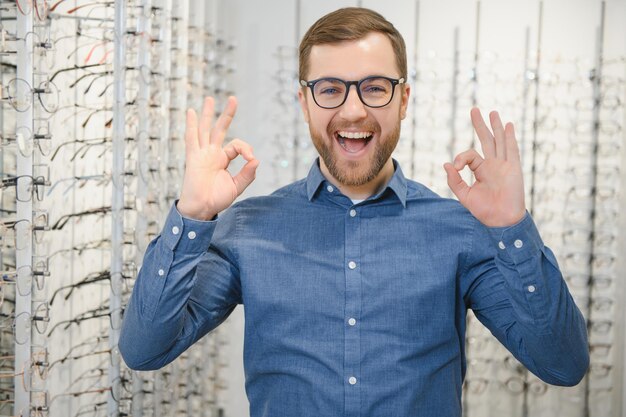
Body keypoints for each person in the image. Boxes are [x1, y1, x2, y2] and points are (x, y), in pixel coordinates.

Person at [119, 7, 589, 417]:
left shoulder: (460, 230)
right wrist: (193, 215)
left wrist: (512, 227)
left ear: (403, 100)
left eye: (374, 88)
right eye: (329, 89)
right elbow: (144, 350)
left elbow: (563, 364)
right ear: (304, 102)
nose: (353, 110)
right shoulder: (246, 228)